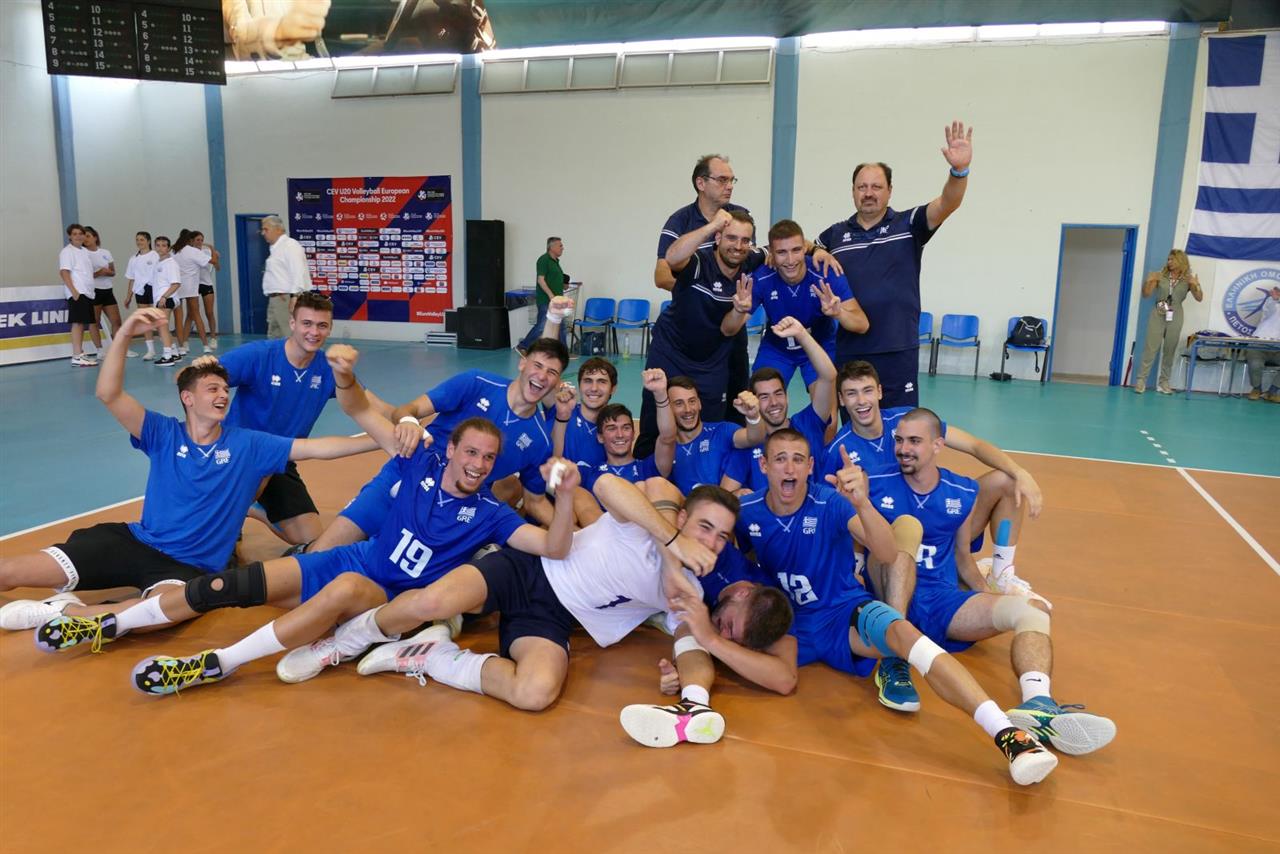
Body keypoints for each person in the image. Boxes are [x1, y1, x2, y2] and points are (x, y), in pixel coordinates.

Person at [0, 309, 379, 633]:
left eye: (225, 390)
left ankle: (63, 612)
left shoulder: (249, 444)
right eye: (212, 389)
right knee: (11, 572)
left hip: (186, 567)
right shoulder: (161, 432)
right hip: (133, 543)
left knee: (157, 617)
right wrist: (125, 332)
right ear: (187, 397)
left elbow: (321, 448)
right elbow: (108, 393)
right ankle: (79, 607)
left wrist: (381, 439)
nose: (222, 395)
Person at [736, 428, 1059, 785]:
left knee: (903, 634)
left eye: (798, 460)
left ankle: (1008, 734)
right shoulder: (747, 512)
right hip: (788, 625)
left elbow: (889, 552)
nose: (789, 469)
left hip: (842, 613)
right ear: (764, 465)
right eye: (780, 459)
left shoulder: (829, 502)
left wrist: (862, 503)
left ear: (811, 466)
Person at [865, 409, 1116, 756]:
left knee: (1033, 611)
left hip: (941, 601)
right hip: (891, 598)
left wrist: (989, 600)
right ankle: (894, 658)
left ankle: (1039, 703)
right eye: (899, 440)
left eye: (914, 441)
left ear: (938, 445)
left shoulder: (961, 491)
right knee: (904, 531)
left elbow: (963, 559)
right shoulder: (874, 482)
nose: (903, 449)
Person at [301, 336, 569, 554]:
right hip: (406, 474)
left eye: (552, 372)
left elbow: (535, 501)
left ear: (557, 382)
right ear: (522, 363)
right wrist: (408, 421)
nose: (542, 376)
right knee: (321, 554)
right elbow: (409, 409)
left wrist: (578, 535)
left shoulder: (539, 440)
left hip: (449, 509)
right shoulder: (477, 383)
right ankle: (307, 551)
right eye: (537, 365)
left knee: (389, 571)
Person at [816, 121, 974, 408]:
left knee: (902, 424)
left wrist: (959, 171)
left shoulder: (909, 224)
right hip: (851, 349)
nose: (869, 193)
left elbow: (947, 203)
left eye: (876, 186)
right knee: (856, 422)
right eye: (862, 187)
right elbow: (801, 249)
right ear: (853, 191)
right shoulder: (835, 235)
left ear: (889, 191)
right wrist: (816, 249)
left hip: (897, 348)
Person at [190, 292, 340, 546]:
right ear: (292, 323)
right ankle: (228, 513)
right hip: (236, 454)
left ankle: (250, 509)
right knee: (212, 538)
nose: (314, 332)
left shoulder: (329, 368)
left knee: (309, 539)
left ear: (329, 328)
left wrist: (405, 421)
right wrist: (198, 369)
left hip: (280, 458)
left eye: (321, 325)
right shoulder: (259, 355)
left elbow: (367, 405)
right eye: (307, 323)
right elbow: (191, 381)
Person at [638, 209, 762, 458]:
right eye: (731, 237)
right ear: (718, 238)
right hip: (671, 350)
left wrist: (816, 250)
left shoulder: (751, 260)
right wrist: (712, 225)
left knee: (710, 422)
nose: (738, 246)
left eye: (745, 240)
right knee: (655, 416)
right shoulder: (699, 263)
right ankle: (645, 468)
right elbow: (672, 258)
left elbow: (787, 245)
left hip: (712, 358)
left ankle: (704, 471)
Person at [652, 155, 754, 443]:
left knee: (733, 403)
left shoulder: (740, 216)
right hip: (686, 329)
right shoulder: (681, 220)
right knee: (660, 403)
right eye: (722, 179)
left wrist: (815, 250)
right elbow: (662, 274)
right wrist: (702, 292)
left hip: (728, 328)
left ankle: (727, 458)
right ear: (701, 183)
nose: (729, 186)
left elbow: (753, 260)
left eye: (732, 180)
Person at [723, 219, 866, 397]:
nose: (790, 260)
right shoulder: (762, 277)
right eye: (781, 252)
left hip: (819, 345)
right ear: (771, 254)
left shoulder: (825, 272)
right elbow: (728, 330)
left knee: (826, 411)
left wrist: (839, 313)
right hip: (777, 348)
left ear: (805, 248)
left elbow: (862, 324)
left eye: (796, 250)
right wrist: (738, 311)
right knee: (760, 403)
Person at [720, 317, 837, 494]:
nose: (774, 402)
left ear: (787, 396)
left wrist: (802, 335)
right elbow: (725, 493)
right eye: (764, 397)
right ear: (754, 400)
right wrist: (738, 495)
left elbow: (828, 376)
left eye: (778, 393)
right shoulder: (750, 441)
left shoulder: (809, 422)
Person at [666, 375, 765, 495]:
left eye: (692, 401)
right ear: (668, 409)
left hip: (737, 504)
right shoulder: (666, 452)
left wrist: (753, 417)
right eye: (679, 403)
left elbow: (754, 438)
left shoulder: (721, 431)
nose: (688, 409)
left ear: (699, 403)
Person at [1134, 249, 1203, 395]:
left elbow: (1199, 298)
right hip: (1159, 311)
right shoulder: (1160, 275)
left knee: (1170, 349)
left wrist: (1196, 285)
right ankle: (1141, 380)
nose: (1169, 262)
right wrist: (1149, 281)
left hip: (1176, 313)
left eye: (1172, 259)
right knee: (1150, 347)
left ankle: (1164, 382)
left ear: (1181, 261)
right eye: (1168, 259)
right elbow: (1146, 294)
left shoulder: (1187, 279)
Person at [548, 356, 617, 469]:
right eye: (588, 381)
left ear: (613, 389)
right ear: (579, 385)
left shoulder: (616, 430)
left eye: (602, 382)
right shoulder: (561, 409)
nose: (594, 388)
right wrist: (561, 416)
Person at [260, 215, 313, 339]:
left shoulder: (290, 246)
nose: (263, 233)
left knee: (291, 335)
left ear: (278, 229)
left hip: (286, 298)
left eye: (266, 229)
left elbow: (298, 271)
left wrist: (295, 297)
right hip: (275, 298)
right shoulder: (275, 248)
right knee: (274, 336)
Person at [58, 223, 102, 368]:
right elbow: (64, 272)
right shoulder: (67, 252)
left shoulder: (84, 251)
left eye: (80, 233)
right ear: (70, 236)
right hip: (78, 292)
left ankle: (80, 353)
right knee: (77, 323)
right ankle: (76, 356)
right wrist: (74, 292)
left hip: (88, 293)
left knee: (82, 323)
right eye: (75, 234)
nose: (78, 236)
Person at [516, 237, 568, 354]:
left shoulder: (556, 262)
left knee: (561, 327)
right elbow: (541, 280)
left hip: (558, 301)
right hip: (546, 300)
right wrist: (551, 296)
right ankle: (523, 346)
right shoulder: (544, 260)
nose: (562, 248)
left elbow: (553, 279)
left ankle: (563, 352)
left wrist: (563, 285)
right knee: (542, 325)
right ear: (552, 247)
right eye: (560, 246)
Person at [82, 226, 128, 356]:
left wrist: (107, 272)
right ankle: (100, 350)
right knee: (95, 322)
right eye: (84, 237)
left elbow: (113, 271)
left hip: (107, 290)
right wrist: (98, 273)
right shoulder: (83, 254)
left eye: (88, 236)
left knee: (116, 321)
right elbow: (84, 275)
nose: (86, 239)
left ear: (95, 237)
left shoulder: (105, 252)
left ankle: (118, 349)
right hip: (94, 291)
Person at [172, 229, 215, 355]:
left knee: (178, 319)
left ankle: (182, 346)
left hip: (177, 287)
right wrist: (212, 249)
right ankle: (205, 345)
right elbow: (213, 261)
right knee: (196, 315)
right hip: (191, 287)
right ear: (190, 240)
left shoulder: (174, 251)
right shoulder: (192, 251)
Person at [123, 231, 159, 360]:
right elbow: (132, 279)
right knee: (145, 319)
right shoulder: (133, 259)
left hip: (155, 288)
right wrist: (128, 296)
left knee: (159, 318)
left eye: (142, 240)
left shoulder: (155, 255)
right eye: (137, 240)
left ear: (148, 241)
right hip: (140, 290)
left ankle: (171, 348)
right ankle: (150, 350)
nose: (139, 242)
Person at [148, 236, 183, 366]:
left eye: (163, 245)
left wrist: (164, 297)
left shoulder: (171, 263)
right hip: (160, 299)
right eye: (158, 245)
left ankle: (167, 356)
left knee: (162, 327)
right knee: (163, 328)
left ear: (168, 248)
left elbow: (176, 284)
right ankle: (174, 353)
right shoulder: (158, 263)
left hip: (167, 299)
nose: (160, 248)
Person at [1245, 285, 1280, 402]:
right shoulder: (1271, 301)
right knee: (1255, 364)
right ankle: (1257, 389)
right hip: (1259, 344)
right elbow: (1270, 310)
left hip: (1278, 348)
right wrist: (1275, 299)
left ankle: (1272, 392)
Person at [194, 231, 220, 350]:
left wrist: (213, 251)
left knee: (209, 312)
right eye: (197, 240)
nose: (200, 242)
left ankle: (213, 338)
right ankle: (187, 342)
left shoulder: (206, 252)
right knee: (192, 313)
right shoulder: (190, 252)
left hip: (206, 284)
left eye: (201, 240)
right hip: (193, 285)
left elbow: (217, 267)